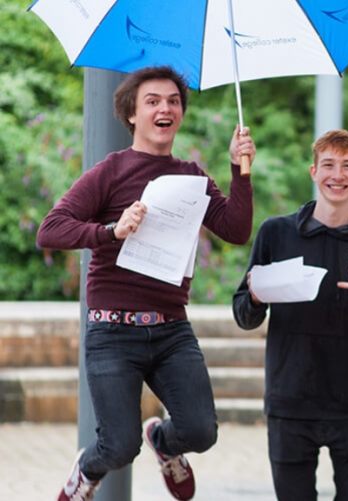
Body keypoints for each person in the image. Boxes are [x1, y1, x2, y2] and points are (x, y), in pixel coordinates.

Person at [37, 66, 255, 501]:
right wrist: (110, 231)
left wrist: (239, 170)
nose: (165, 108)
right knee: (119, 445)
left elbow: (235, 229)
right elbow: (51, 229)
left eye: (173, 101)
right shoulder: (111, 171)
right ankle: (85, 472)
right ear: (131, 114)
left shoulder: (192, 177)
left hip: (171, 328)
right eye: (152, 101)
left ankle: (165, 443)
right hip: (112, 331)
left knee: (201, 430)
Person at [232, 129, 348, 501]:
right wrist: (258, 294)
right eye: (328, 165)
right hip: (290, 404)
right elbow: (245, 316)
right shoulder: (276, 234)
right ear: (313, 172)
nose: (337, 175)